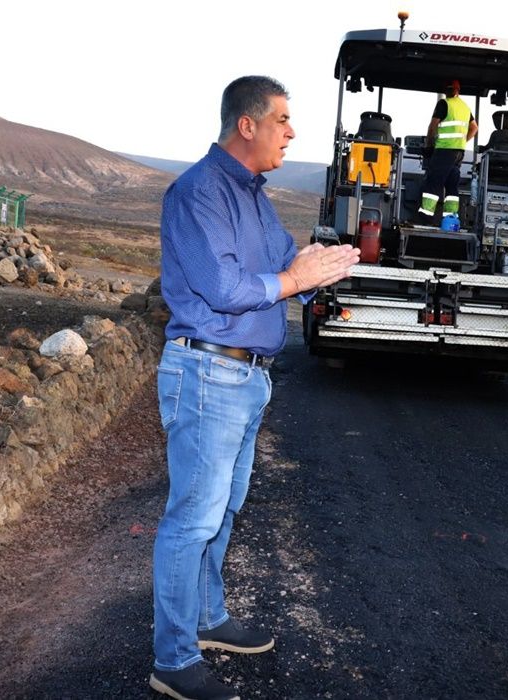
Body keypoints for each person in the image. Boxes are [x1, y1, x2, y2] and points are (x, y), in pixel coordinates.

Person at [150, 75, 360, 700]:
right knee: (192, 518)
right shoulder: (198, 193)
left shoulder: (256, 197)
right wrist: (295, 278)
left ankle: (209, 618)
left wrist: (324, 268)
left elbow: (285, 263)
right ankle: (172, 658)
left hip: (245, 378)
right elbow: (224, 286)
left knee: (225, 507)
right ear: (248, 124)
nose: (292, 132)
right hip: (208, 371)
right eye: (283, 120)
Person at [416, 79, 477, 225]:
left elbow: (433, 127)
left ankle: (426, 216)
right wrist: (463, 141)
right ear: (458, 90)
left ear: (446, 91)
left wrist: (429, 145)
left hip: (444, 150)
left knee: (433, 182)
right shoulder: (465, 107)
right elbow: (474, 128)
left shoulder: (444, 103)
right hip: (459, 153)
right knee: (451, 184)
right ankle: (451, 218)